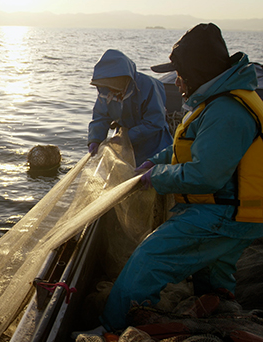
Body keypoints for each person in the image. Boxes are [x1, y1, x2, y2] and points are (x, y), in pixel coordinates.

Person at [84, 23, 263, 336]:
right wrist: (158, 160)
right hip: (235, 210)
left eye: (180, 72)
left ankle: (111, 329)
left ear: (195, 71)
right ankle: (218, 305)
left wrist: (157, 176)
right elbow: (188, 148)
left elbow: (205, 175)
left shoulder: (226, 111)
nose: (176, 80)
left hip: (223, 214)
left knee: (148, 259)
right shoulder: (217, 100)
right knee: (213, 270)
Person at [88, 49, 173, 166]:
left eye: (114, 84)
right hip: (125, 143)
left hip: (153, 144)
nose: (111, 89)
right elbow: (100, 117)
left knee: (148, 175)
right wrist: (95, 139)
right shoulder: (106, 92)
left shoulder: (149, 87)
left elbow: (155, 122)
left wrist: (126, 138)